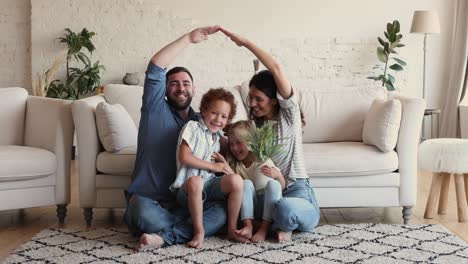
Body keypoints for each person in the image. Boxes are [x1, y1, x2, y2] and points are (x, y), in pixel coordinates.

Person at [124, 26, 229, 251]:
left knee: (222, 210)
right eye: (173, 83)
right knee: (140, 211)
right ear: (164, 89)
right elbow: (155, 66)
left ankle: (164, 237)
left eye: (186, 83)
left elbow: (228, 139)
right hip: (151, 203)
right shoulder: (155, 109)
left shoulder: (203, 122)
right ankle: (189, 229)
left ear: (194, 89)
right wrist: (189, 38)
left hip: (186, 201)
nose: (180, 88)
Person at [220, 27, 320, 243]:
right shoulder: (254, 125)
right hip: (266, 192)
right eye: (250, 98)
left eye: (258, 99)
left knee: (284, 209)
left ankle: (284, 221)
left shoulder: (288, 116)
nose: (252, 104)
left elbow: (275, 67)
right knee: (244, 206)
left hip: (294, 188)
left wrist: (245, 42)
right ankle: (276, 226)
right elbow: (232, 137)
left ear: (274, 99)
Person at [169, 88, 245, 248]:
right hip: (187, 189)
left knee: (236, 180)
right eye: (214, 113)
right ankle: (199, 232)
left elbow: (237, 144)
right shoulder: (192, 127)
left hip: (209, 186)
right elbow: (185, 157)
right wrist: (213, 166)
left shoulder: (218, 138)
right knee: (196, 181)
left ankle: (232, 229)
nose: (218, 119)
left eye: (224, 116)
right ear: (203, 111)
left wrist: (224, 163)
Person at [222, 120, 285, 242]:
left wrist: (278, 176)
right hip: (250, 211)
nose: (234, 148)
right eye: (231, 144)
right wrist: (225, 164)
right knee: (245, 183)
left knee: (273, 184)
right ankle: (248, 226)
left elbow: (280, 188)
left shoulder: (261, 160)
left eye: (239, 143)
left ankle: (264, 229)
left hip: (269, 206)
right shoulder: (236, 165)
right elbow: (234, 187)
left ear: (251, 143)